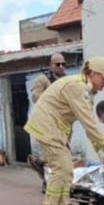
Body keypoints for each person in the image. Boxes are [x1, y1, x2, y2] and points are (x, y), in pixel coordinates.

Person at [24, 56, 104, 205]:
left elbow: (88, 125)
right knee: (61, 169)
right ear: (93, 73)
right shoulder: (78, 88)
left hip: (55, 129)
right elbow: (90, 124)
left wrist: (100, 152)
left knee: (66, 171)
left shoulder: (85, 89)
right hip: (48, 127)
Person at [28, 53, 68, 191]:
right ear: (51, 65)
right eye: (58, 64)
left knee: (61, 155)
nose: (61, 67)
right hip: (44, 124)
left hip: (61, 125)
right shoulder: (43, 79)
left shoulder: (66, 80)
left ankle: (56, 182)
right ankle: (47, 181)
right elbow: (35, 96)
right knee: (43, 158)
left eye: (63, 64)